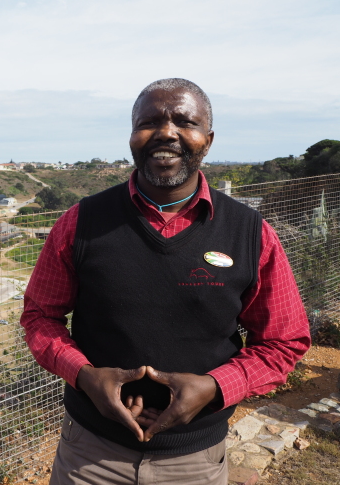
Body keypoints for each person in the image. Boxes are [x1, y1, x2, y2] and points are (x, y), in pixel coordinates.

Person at [20, 78, 311, 485]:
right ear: (132, 137)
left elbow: (285, 341)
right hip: (89, 453)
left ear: (207, 140)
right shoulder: (80, 222)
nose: (166, 132)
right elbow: (39, 317)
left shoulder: (251, 233)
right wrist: (85, 375)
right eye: (149, 122)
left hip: (195, 460)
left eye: (184, 122)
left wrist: (214, 386)